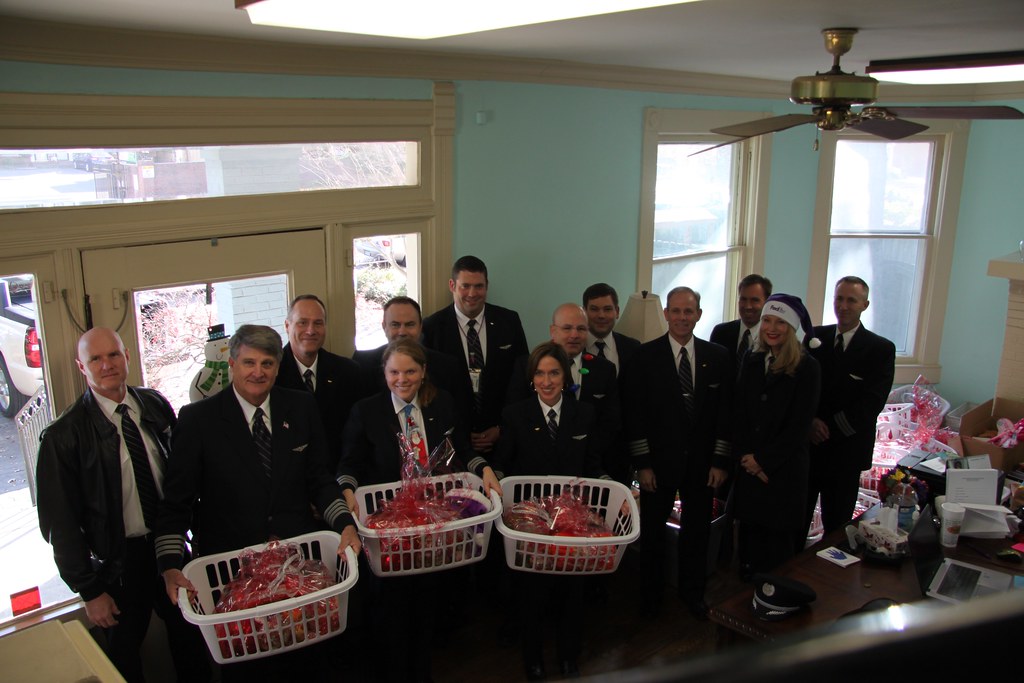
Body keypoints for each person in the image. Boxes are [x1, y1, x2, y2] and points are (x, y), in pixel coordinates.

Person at [155, 324, 361, 681]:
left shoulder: (300, 406)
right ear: (232, 364)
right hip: (231, 571)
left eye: (267, 363)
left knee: (307, 657)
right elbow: (177, 501)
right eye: (248, 362)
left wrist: (345, 525)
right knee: (248, 666)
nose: (258, 372)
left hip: (297, 564)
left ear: (278, 367)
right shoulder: (198, 420)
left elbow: (320, 480)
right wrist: (170, 564)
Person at [35, 327, 210, 683]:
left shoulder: (155, 404)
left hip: (170, 549)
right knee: (123, 659)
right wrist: (90, 590)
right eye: (95, 359)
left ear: (127, 356)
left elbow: (180, 475)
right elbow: (61, 524)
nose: (107, 365)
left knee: (192, 641)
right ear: (81, 367)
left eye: (113, 355)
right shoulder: (63, 436)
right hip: (117, 564)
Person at [337, 338, 501, 683]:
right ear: (384, 373)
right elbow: (348, 464)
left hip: (433, 524)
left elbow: (462, 451)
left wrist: (484, 469)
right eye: (394, 371)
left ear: (424, 371)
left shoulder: (441, 403)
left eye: (410, 370)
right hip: (388, 526)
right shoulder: (365, 411)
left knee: (427, 601)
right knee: (390, 609)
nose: (402, 378)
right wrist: (347, 490)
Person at [492, 342, 609, 680]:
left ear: (565, 376)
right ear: (531, 378)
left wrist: (615, 487)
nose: (547, 381)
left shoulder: (583, 413)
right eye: (540, 373)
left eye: (554, 373)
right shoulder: (515, 414)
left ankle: (569, 657)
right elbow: (501, 465)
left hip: (571, 523)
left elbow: (592, 464)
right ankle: (533, 660)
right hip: (529, 521)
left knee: (573, 591)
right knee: (531, 591)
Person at [620, 287, 733, 619]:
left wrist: (720, 461)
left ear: (698, 314)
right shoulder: (645, 357)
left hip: (702, 467)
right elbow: (635, 415)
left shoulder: (719, 357)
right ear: (666, 314)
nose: (682, 317)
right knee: (653, 536)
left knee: (696, 535)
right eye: (676, 311)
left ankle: (692, 594)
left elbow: (727, 414)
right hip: (658, 466)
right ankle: (651, 598)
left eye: (689, 311)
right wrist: (642, 465)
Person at [732, 294, 821, 576]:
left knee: (777, 553)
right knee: (748, 546)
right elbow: (742, 413)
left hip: (782, 471)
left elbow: (798, 426)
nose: (771, 327)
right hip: (750, 467)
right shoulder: (753, 359)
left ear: (793, 328)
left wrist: (763, 461)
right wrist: (748, 458)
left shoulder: (808, 368)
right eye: (767, 320)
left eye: (780, 322)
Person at [805, 277, 895, 537]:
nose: (843, 306)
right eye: (839, 299)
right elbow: (800, 388)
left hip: (846, 451)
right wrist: (810, 422)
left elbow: (871, 402)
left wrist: (828, 428)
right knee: (798, 518)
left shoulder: (880, 349)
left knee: (837, 524)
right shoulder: (814, 339)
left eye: (851, 300)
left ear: (864, 305)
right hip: (810, 447)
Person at [421, 255, 529, 455]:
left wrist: (502, 428)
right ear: (452, 285)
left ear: (487, 286)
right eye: (465, 286)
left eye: (479, 286)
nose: (472, 293)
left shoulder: (509, 321)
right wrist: (459, 432)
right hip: (452, 442)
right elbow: (429, 387)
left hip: (502, 438)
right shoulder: (432, 327)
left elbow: (522, 376)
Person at [276, 294, 367, 470]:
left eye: (318, 323)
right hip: (290, 480)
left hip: (340, 476)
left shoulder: (349, 372)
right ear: (287, 326)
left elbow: (358, 436)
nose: (311, 330)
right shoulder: (272, 375)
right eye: (302, 322)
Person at [352, 295, 468, 408]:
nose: (402, 332)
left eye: (410, 324)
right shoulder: (362, 364)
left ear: (420, 326)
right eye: (395, 325)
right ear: (384, 327)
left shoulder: (447, 366)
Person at [710, 273, 773, 365]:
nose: (748, 306)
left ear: (767, 302)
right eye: (743, 299)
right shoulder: (720, 332)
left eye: (754, 300)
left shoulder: (772, 337)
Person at [581, 282, 641, 374]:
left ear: (617, 312)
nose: (601, 315)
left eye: (607, 309)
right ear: (584, 312)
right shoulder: (572, 347)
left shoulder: (633, 348)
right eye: (594, 309)